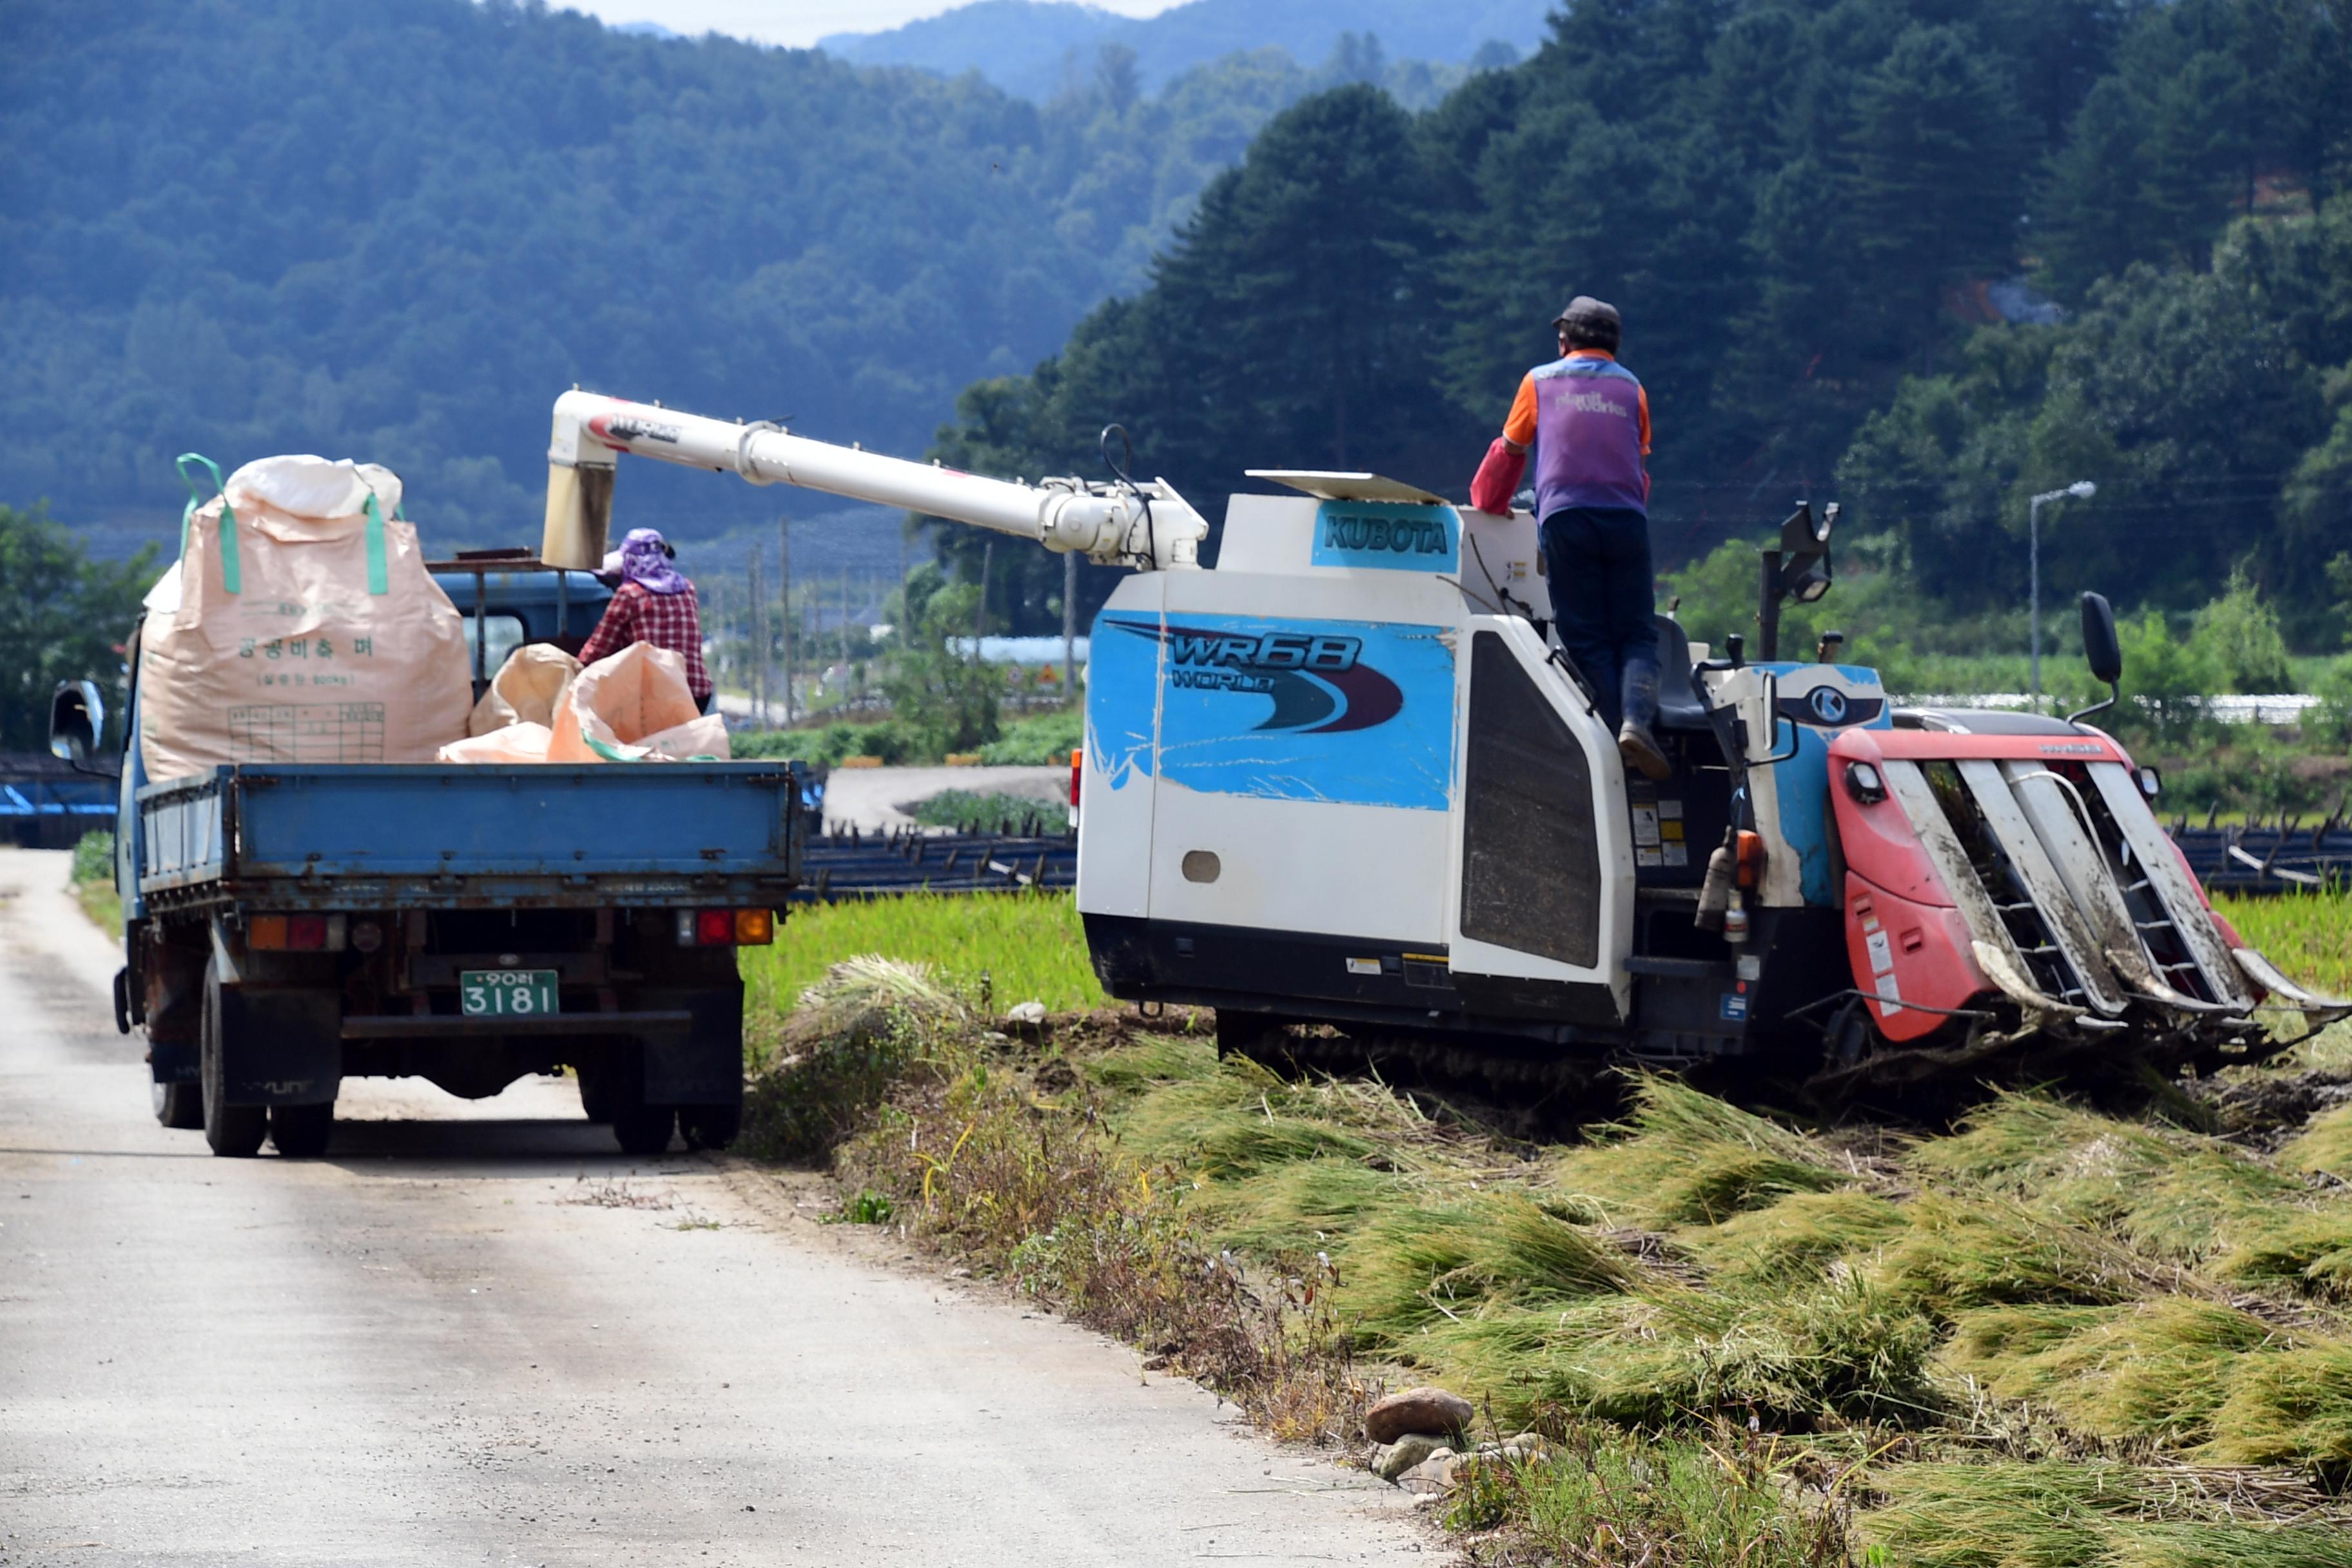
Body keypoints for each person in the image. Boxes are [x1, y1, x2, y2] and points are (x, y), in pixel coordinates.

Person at [1469, 295, 1670, 781]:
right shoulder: (1633, 389)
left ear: (1564, 341)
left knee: (1585, 636)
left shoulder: (1539, 381)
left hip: (1566, 520)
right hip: (1626, 521)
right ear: (1614, 346)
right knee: (1638, 633)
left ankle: (1614, 736)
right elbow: (1636, 466)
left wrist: (1490, 502)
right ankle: (1638, 724)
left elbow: (1511, 450)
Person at [576, 527, 714, 710]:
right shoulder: (688, 589)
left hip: (653, 697)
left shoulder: (630, 594)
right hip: (696, 693)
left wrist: (575, 672)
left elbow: (598, 648)